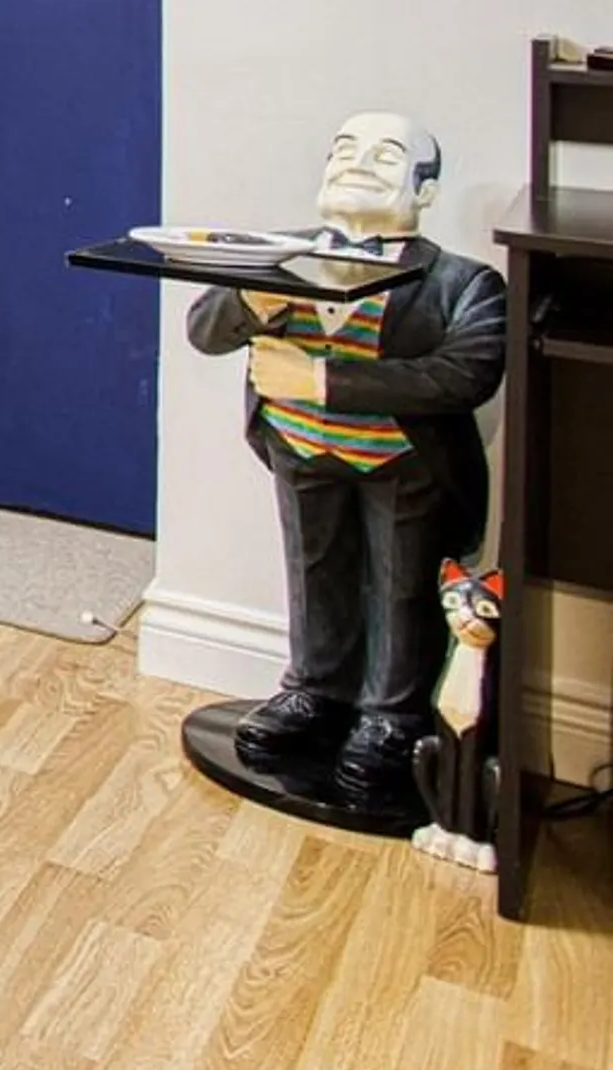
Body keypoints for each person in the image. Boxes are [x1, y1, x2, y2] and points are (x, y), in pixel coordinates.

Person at [187, 112, 506, 814]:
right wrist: (251, 298)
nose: (357, 162)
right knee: (314, 565)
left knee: (402, 582)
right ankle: (316, 687)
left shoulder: (460, 281)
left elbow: (464, 374)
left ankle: (392, 713)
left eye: (386, 155)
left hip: (402, 462)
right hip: (298, 446)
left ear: (424, 191)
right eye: (344, 150)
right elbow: (203, 328)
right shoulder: (279, 254)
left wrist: (326, 383)